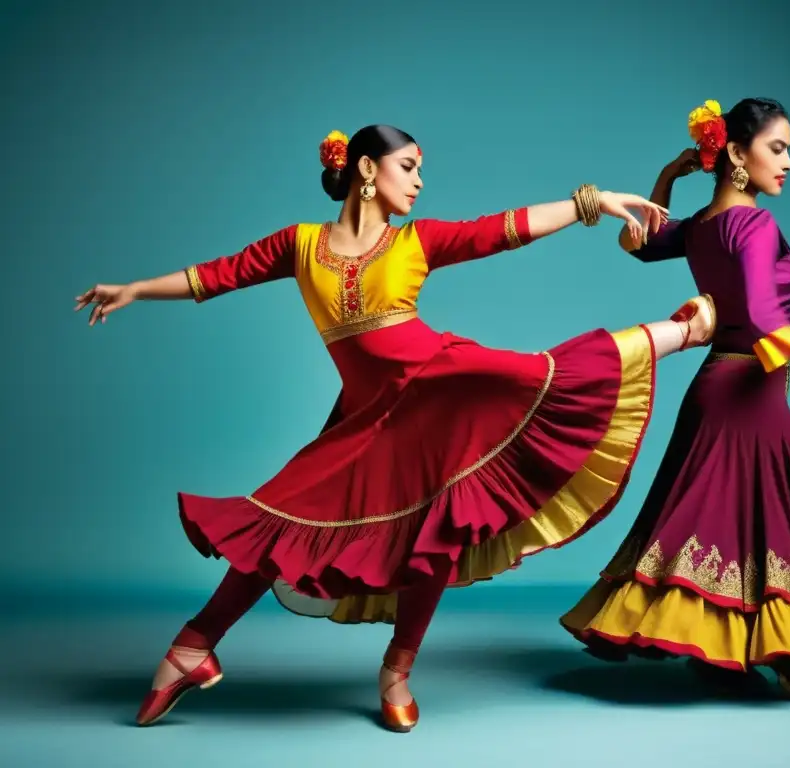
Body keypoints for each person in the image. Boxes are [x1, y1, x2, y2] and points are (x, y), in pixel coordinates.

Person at [75, 124, 718, 731]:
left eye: (419, 171)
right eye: (407, 167)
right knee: (282, 523)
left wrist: (591, 201)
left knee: (496, 448)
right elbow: (215, 276)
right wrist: (134, 288)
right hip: (369, 415)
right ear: (365, 169)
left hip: (442, 388)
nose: (416, 182)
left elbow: (502, 230)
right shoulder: (298, 244)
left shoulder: (417, 242)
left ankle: (396, 673)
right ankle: (190, 647)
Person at [560, 99, 790, 699]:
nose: (788, 163)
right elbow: (759, 314)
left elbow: (647, 241)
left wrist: (672, 176)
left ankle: (730, 649)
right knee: (779, 518)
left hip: (717, 385)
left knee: (731, 520)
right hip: (749, 388)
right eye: (777, 149)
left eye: (788, 150)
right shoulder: (752, 225)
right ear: (736, 153)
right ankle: (778, 652)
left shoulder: (705, 224)